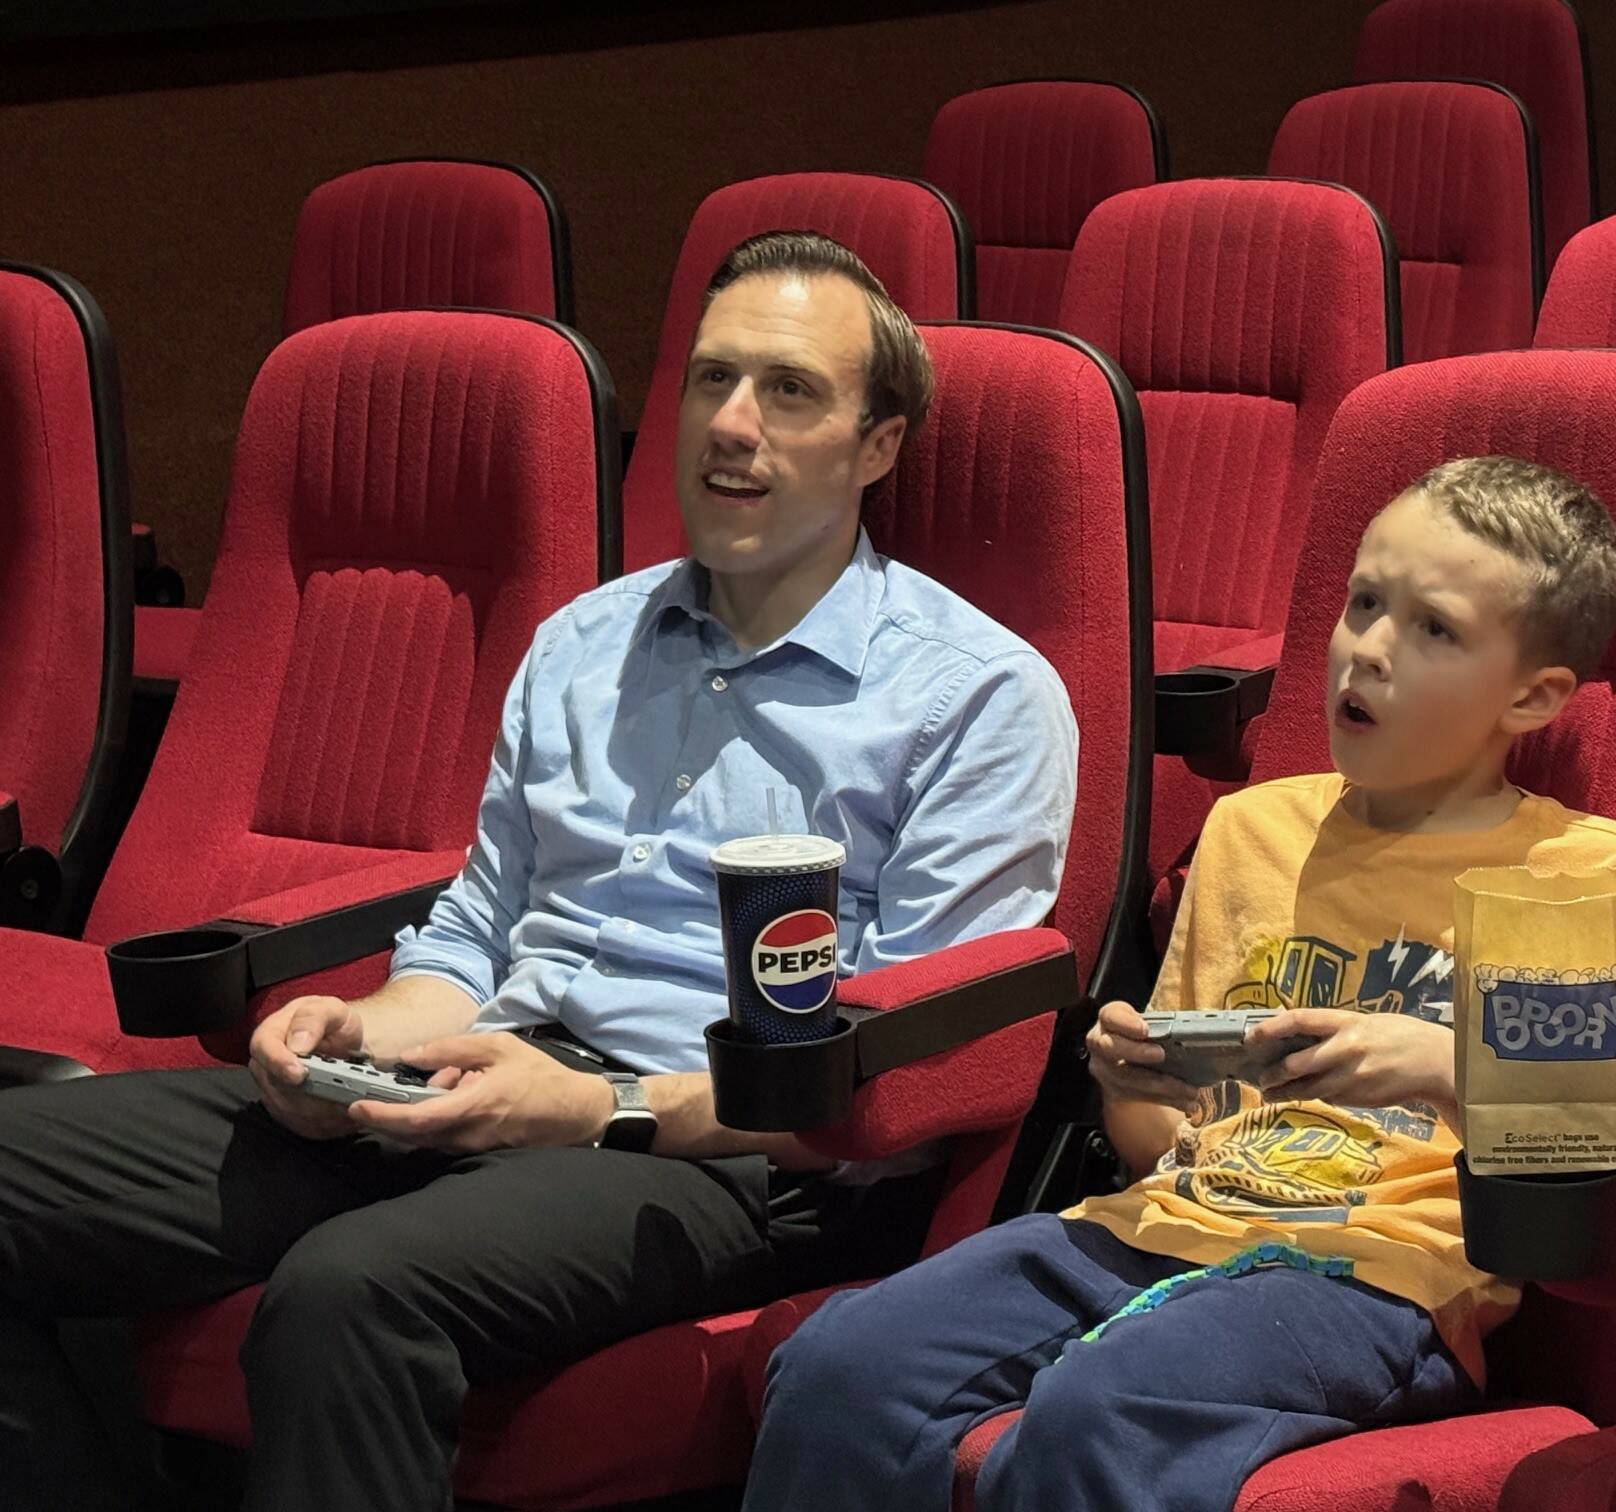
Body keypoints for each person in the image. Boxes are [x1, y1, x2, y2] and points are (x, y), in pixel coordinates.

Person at [0, 232, 1078, 1512]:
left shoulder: (978, 697)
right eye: (713, 378)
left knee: (351, 1294)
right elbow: (476, 929)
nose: (732, 424)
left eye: (790, 390)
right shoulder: (584, 641)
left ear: (878, 444)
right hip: (491, 1072)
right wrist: (359, 1030)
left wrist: (595, 1109)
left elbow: (891, 1077)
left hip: (728, 1157)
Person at [745, 456, 1616, 1512]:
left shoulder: (1572, 871)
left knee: (1105, 1408)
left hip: (1383, 1276)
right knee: (840, 1367)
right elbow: (1163, 1139)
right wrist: (1134, 1080)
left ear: (1532, 696)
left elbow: (1584, 1142)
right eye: (1364, 603)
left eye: (1434, 630)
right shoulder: (1251, 829)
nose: (1368, 649)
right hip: (1159, 1222)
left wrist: (1431, 1062)